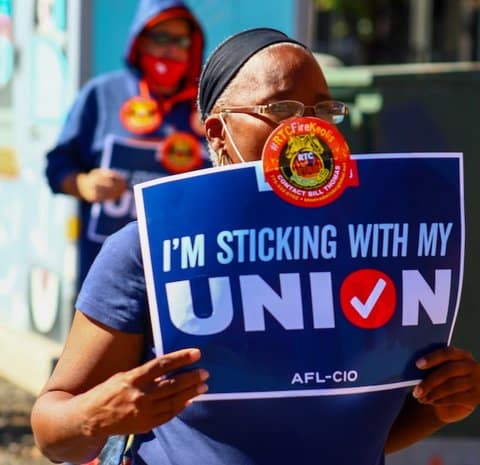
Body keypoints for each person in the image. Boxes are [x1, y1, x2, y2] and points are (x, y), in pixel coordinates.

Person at [31, 28, 480, 465]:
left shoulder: (385, 248)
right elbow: (52, 435)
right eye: (282, 108)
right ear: (218, 132)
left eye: (324, 111)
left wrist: (443, 403)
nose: (307, 127)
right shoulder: (147, 249)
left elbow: (364, 441)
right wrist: (98, 415)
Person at [45, 0, 209, 290]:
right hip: (108, 279)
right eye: (160, 37)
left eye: (180, 40)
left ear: (191, 46)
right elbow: (57, 165)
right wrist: (83, 184)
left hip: (189, 276)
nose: (170, 48)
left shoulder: (208, 105)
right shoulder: (102, 94)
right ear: (139, 41)